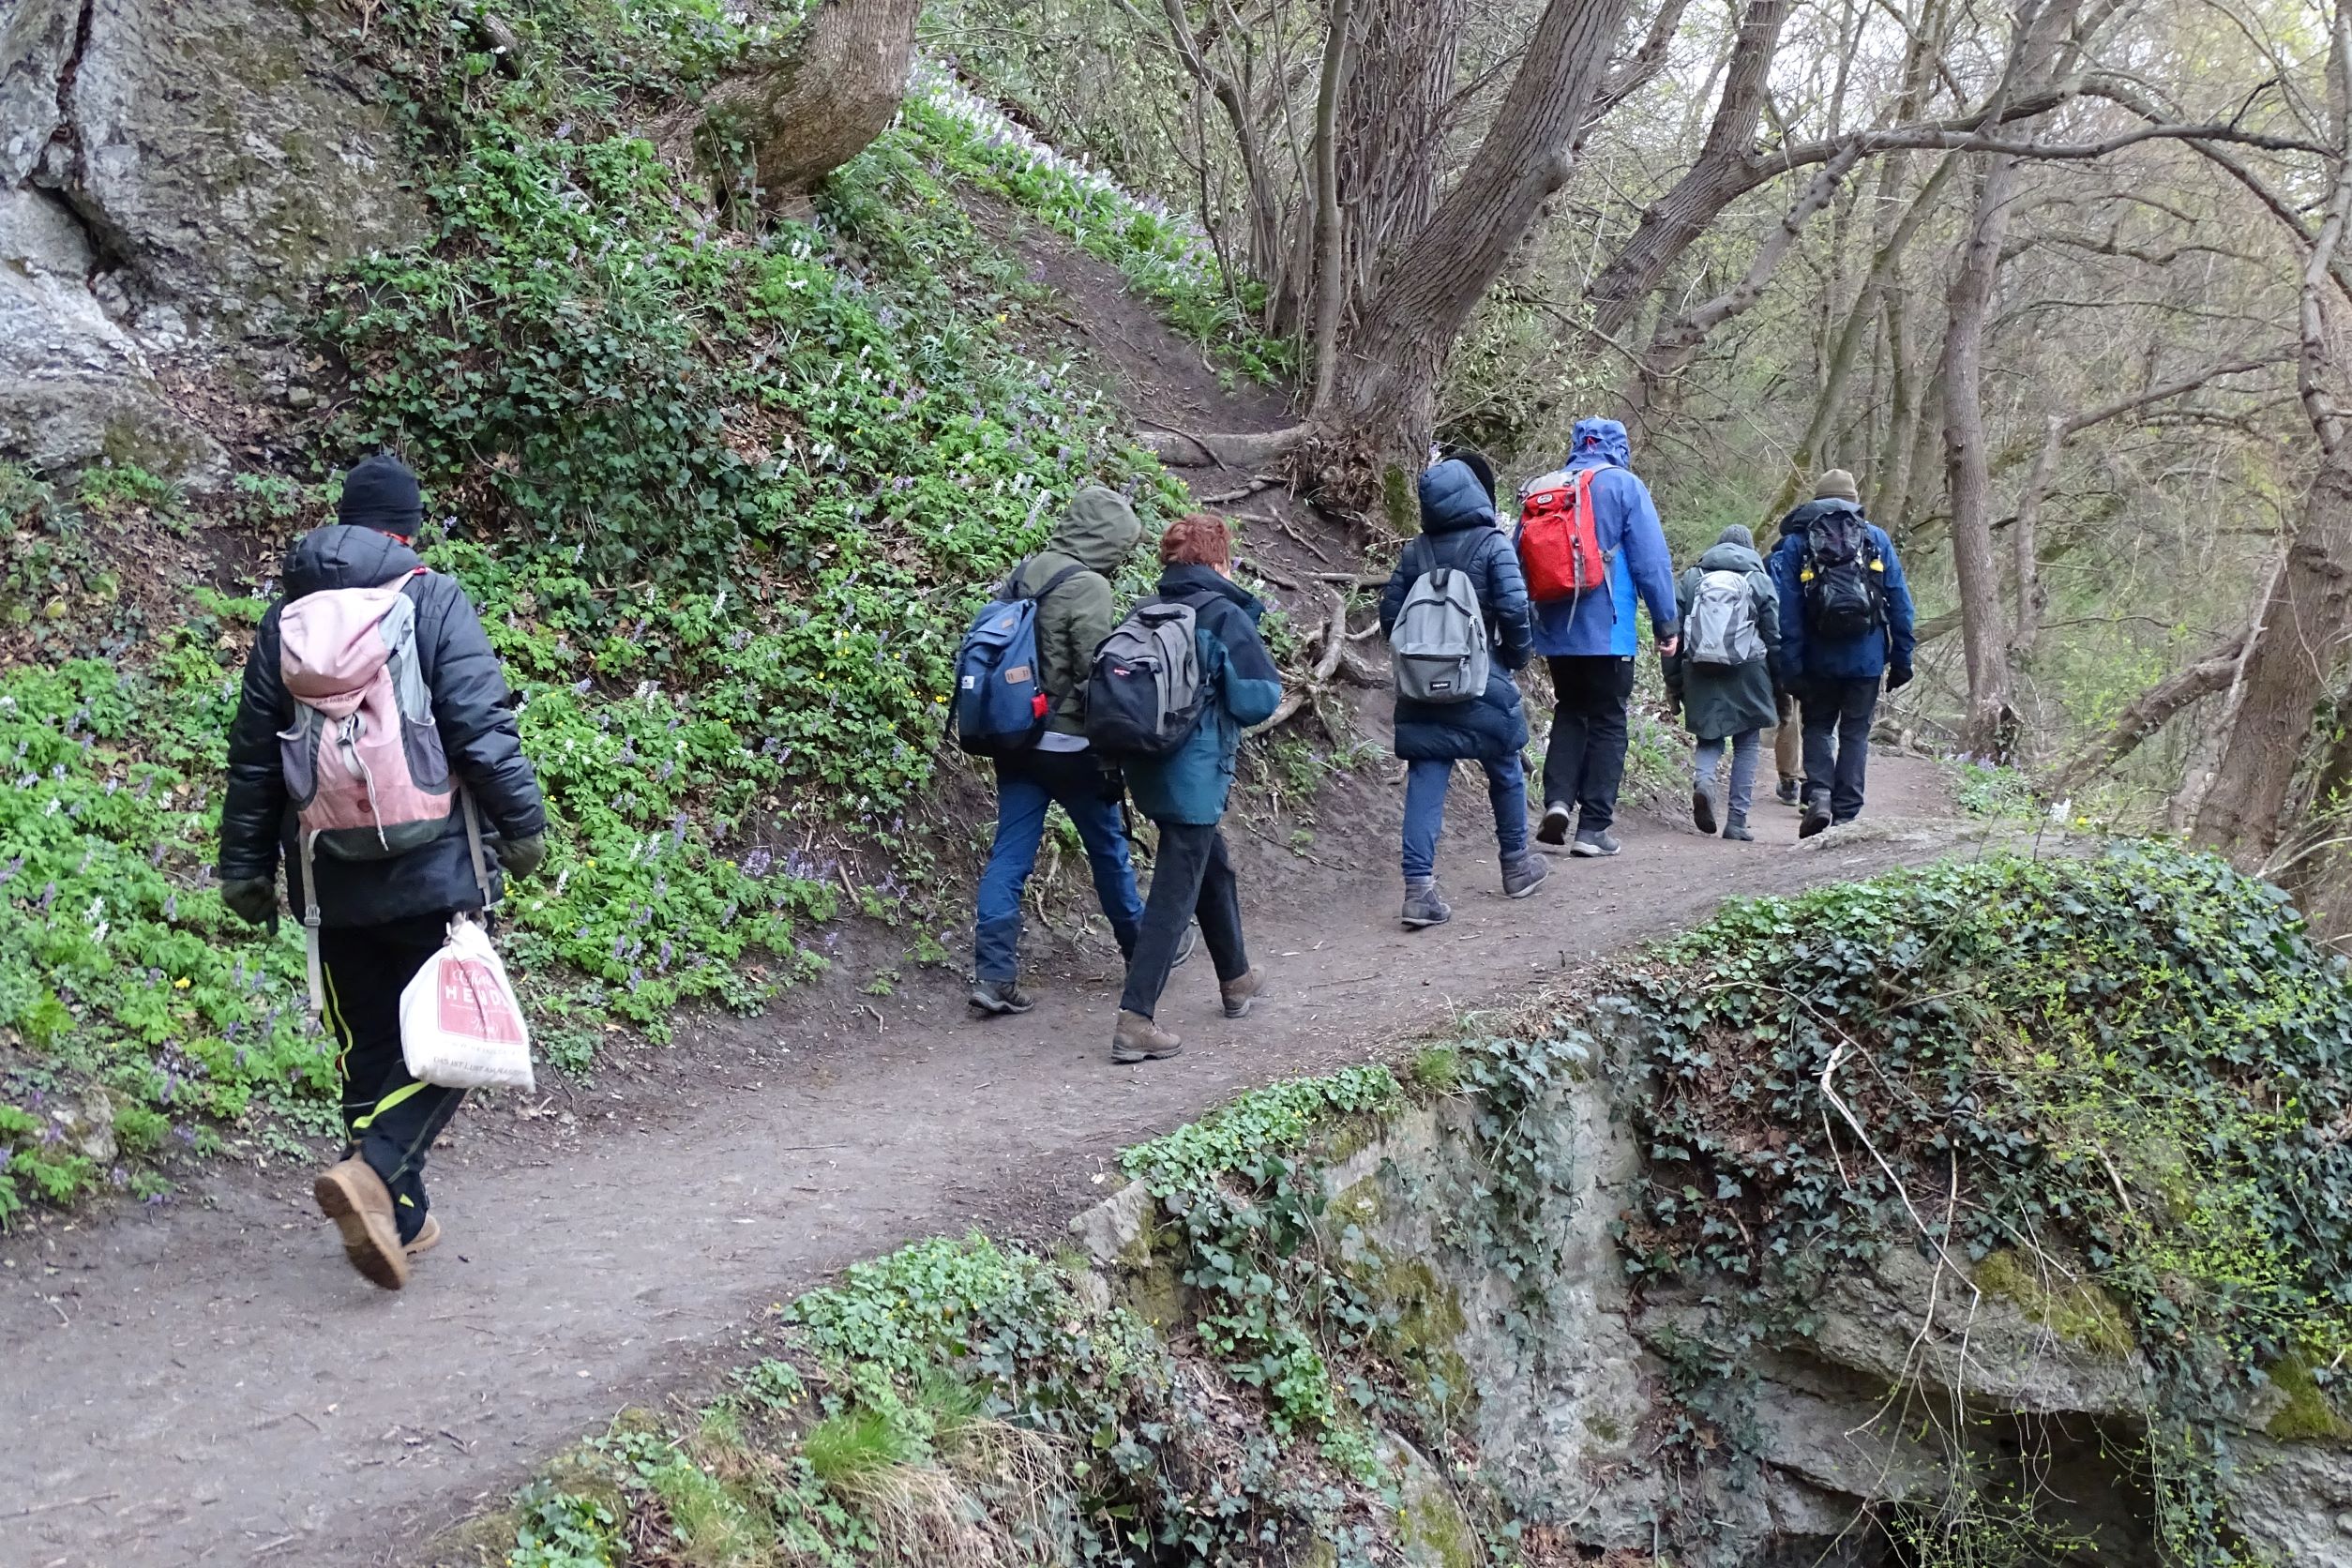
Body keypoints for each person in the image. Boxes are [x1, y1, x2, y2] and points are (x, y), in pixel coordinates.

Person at [218, 452, 547, 1291]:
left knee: (367, 1046)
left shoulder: (286, 618)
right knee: (462, 1042)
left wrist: (245, 868)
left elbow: (256, 761)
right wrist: (523, 828)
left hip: (330, 880)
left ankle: (398, 1214)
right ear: (406, 528)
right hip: (437, 868)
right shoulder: (430, 598)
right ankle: (377, 1169)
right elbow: (479, 725)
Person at [968, 485, 1177, 1016]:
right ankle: (1142, 958)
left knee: (1009, 856)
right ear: (1106, 538)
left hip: (1016, 738)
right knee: (1108, 850)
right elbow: (1096, 671)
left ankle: (993, 977)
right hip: (1072, 746)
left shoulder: (1027, 570)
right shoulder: (1089, 587)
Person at [1110, 514, 1282, 1064]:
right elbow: (1258, 699)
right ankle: (1136, 1018)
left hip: (1147, 764)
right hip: (1196, 769)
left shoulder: (1145, 612)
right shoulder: (1223, 614)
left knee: (1213, 863)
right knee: (1173, 892)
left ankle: (1236, 979)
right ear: (1216, 560)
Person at [1378, 456, 1545, 927]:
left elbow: (1390, 619)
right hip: (1481, 680)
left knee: (1426, 779)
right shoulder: (1493, 545)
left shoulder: (1416, 552)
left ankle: (1418, 890)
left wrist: (1421, 657)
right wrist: (1513, 659)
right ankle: (1516, 866)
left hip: (1421, 688)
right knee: (1507, 768)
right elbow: (1515, 609)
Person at [1521, 417, 1680, 858]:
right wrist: (1667, 624)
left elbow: (1520, 552)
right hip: (1608, 629)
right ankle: (1593, 828)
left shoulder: (1546, 486)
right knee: (1609, 720)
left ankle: (1556, 803)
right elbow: (1651, 562)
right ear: (1619, 447)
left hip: (1555, 625)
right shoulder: (1625, 486)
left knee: (1570, 710)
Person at [1768, 469, 1916, 837]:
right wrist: (1902, 658)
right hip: (1865, 659)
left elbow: (1786, 611)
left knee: (1817, 726)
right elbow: (1900, 601)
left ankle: (1818, 793)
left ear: (1816, 500)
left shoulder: (1796, 543)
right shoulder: (1875, 538)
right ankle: (1847, 814)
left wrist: (1791, 664)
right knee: (1854, 733)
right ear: (1854, 500)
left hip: (1816, 659)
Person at [1663, 525, 1782, 842]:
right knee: (1747, 743)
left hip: (1699, 668)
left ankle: (1704, 782)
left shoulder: (1691, 578)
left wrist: (1674, 681)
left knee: (1709, 736)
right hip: (1749, 670)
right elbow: (1774, 636)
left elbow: (1671, 633)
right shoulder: (1759, 580)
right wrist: (1780, 683)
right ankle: (1737, 822)